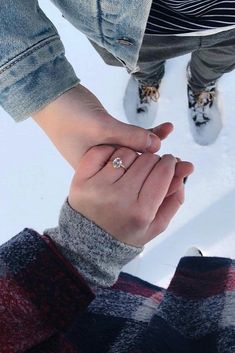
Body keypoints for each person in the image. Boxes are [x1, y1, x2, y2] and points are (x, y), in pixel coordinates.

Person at [1, 145, 234, 353]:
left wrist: (83, 251)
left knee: (124, 301)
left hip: (70, 314)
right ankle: (184, 292)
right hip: (177, 321)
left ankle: (122, 269)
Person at [1, 1, 235, 169]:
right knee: (141, 63)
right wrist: (47, 94)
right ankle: (148, 82)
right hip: (131, 23)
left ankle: (201, 86)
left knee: (216, 64)